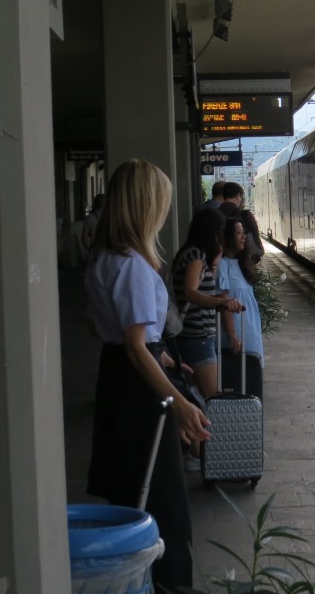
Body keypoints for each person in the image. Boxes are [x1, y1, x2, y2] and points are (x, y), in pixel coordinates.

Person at [84, 159, 210, 590]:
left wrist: (165, 360)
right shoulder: (133, 266)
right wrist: (180, 404)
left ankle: (134, 581)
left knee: (131, 488)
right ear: (146, 205)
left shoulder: (103, 258)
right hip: (140, 390)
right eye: (162, 201)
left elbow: (111, 333)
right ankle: (169, 584)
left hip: (117, 376)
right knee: (162, 499)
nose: (166, 210)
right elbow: (137, 348)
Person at [170, 208, 243, 400]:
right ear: (212, 231)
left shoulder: (189, 254)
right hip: (198, 338)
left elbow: (202, 288)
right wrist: (223, 302)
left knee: (196, 398)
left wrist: (214, 262)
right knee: (212, 398)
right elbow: (191, 292)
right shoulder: (196, 256)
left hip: (192, 336)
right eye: (220, 231)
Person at [217, 217, 264, 364]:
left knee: (253, 368)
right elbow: (223, 300)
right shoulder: (222, 264)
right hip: (237, 333)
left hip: (250, 329)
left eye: (243, 233)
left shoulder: (241, 263)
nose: (244, 237)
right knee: (243, 370)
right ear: (229, 236)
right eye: (239, 233)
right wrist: (232, 334)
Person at [219, 181, 265, 262]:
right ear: (238, 196)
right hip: (241, 261)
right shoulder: (245, 215)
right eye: (241, 197)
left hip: (220, 260)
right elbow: (256, 244)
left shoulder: (214, 215)